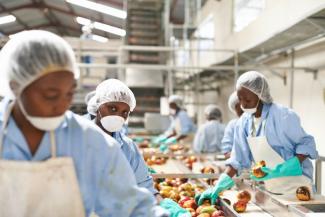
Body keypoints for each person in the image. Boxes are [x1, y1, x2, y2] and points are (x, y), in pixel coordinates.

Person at [0, 30, 173, 217]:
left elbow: (131, 207)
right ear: (15, 86)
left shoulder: (90, 141)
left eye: (69, 94)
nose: (62, 105)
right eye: (51, 95)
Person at [196, 71, 318, 205]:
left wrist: (286, 167)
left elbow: (307, 144)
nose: (243, 104)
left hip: (298, 189)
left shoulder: (282, 116)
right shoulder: (244, 122)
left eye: (247, 100)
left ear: (260, 95)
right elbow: (237, 160)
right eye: (240, 98)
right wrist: (218, 185)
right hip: (272, 189)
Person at [86, 79, 188, 215]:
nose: (118, 116)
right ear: (98, 106)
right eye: (113, 108)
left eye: (124, 112)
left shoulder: (128, 148)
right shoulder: (79, 139)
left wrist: (162, 204)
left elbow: (145, 187)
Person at [220, 92, 243, 158]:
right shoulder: (233, 125)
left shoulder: (259, 122)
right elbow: (226, 152)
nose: (243, 107)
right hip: (240, 165)